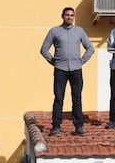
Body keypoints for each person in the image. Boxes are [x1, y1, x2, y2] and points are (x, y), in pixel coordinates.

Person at [40, 7, 94, 136]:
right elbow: (44, 49)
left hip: (76, 69)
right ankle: (56, 127)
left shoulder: (79, 31)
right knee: (59, 98)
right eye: (67, 15)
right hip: (60, 69)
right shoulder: (54, 31)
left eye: (72, 15)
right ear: (62, 16)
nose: (69, 17)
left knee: (77, 98)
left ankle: (79, 126)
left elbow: (90, 48)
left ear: (73, 17)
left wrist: (82, 61)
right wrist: (53, 61)